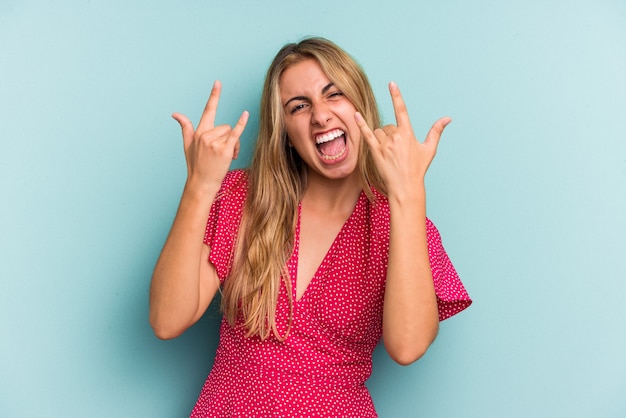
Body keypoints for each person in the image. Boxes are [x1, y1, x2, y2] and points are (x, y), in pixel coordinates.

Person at [149, 37, 471, 417]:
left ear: (360, 106)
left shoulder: (397, 222)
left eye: (334, 95)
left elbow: (408, 347)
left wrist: (409, 194)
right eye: (298, 106)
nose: (320, 116)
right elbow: (167, 321)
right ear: (284, 130)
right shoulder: (243, 198)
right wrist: (199, 186)